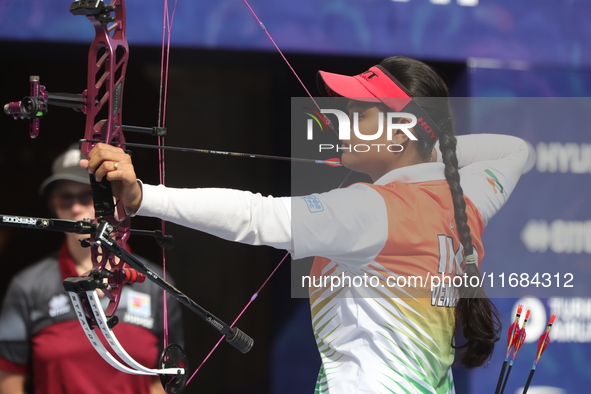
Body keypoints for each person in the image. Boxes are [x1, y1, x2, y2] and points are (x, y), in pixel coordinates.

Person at [83, 56, 529, 393]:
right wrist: (427, 149)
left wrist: (141, 196)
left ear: (401, 131)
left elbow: (255, 217)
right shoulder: (466, 199)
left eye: (360, 113)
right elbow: (516, 150)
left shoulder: (372, 209)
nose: (344, 122)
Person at [0, 144, 183, 394]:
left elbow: (163, 379)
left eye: (87, 196)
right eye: (65, 198)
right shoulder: (28, 285)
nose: (75, 208)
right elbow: (9, 376)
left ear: (112, 203)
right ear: (55, 207)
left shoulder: (154, 282)